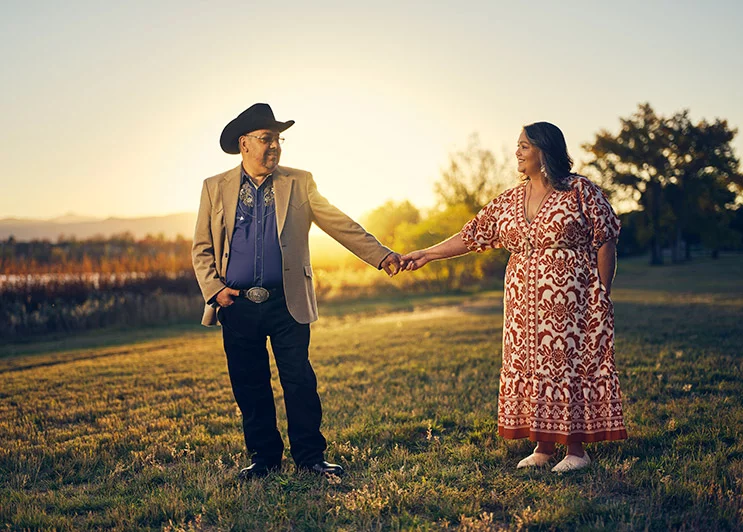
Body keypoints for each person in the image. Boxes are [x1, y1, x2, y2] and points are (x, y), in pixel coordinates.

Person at [192, 103, 404, 479]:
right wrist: (215, 289)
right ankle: (264, 459)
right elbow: (202, 247)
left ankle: (310, 457)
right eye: (266, 139)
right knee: (250, 384)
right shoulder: (214, 187)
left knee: (299, 381)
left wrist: (381, 255)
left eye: (278, 139)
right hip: (236, 305)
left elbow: (341, 224)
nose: (274, 146)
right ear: (244, 144)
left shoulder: (300, 182)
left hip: (287, 302)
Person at [401, 122, 626, 472]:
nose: (517, 152)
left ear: (544, 149)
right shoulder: (509, 199)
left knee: (566, 364)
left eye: (523, 146)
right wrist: (427, 254)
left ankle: (576, 451)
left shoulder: (581, 190)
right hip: (522, 303)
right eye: (518, 146)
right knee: (532, 364)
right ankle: (543, 447)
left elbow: (606, 237)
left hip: (572, 298)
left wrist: (602, 290)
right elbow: (472, 235)